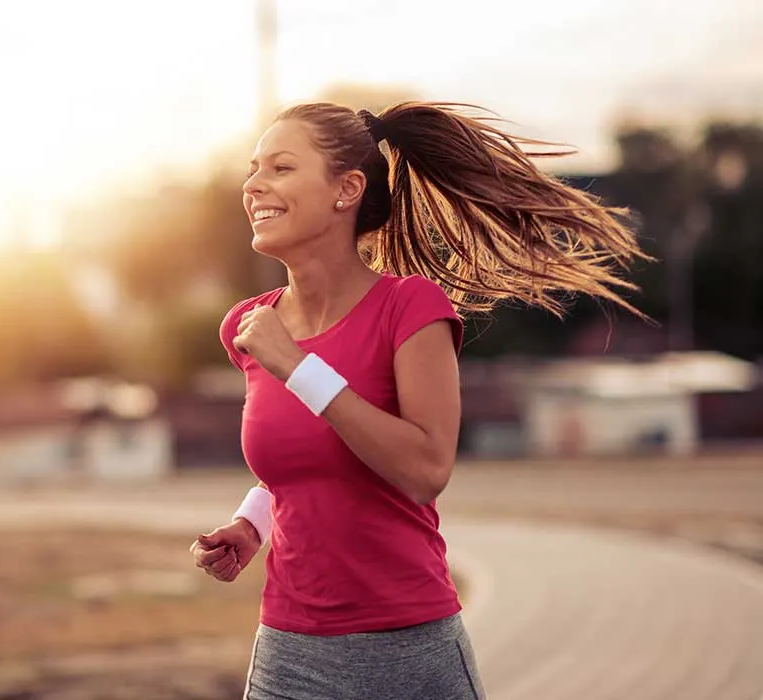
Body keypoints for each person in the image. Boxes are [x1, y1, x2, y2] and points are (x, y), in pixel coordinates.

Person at [189, 101, 648, 700]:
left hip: (406, 651)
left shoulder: (411, 309)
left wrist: (298, 366)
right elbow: (309, 464)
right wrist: (252, 524)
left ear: (346, 189)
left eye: (280, 167)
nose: (254, 185)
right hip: (288, 649)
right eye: (254, 169)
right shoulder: (249, 328)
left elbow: (424, 468)